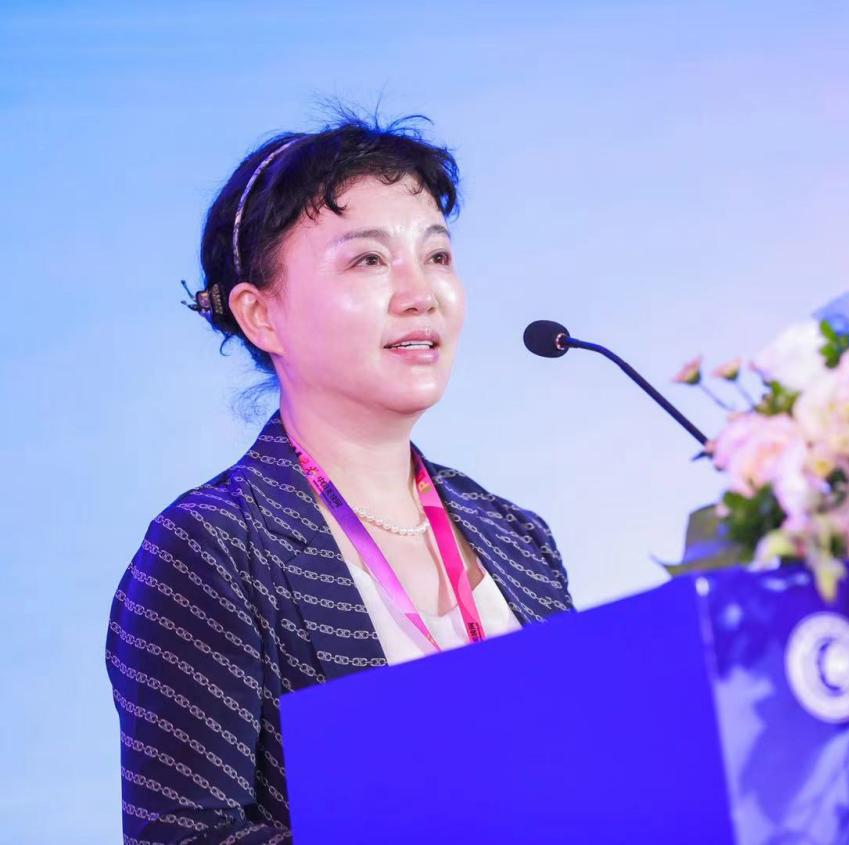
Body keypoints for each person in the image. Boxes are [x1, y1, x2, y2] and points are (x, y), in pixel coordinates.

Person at [105, 110, 575, 844]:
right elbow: (183, 838)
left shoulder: (516, 536)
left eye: (437, 255)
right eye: (368, 261)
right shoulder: (212, 550)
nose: (420, 293)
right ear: (261, 316)